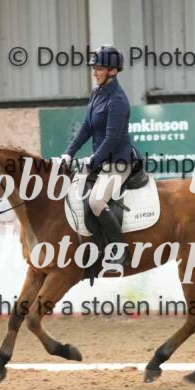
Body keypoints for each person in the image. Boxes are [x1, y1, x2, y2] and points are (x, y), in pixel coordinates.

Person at [60, 46, 134, 265]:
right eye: (94, 68)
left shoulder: (118, 100)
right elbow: (86, 127)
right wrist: (69, 153)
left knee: (96, 201)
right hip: (102, 161)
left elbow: (111, 139)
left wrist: (91, 162)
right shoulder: (96, 94)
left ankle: (119, 250)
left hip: (118, 163)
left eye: (99, 68)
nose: (94, 72)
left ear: (113, 71)